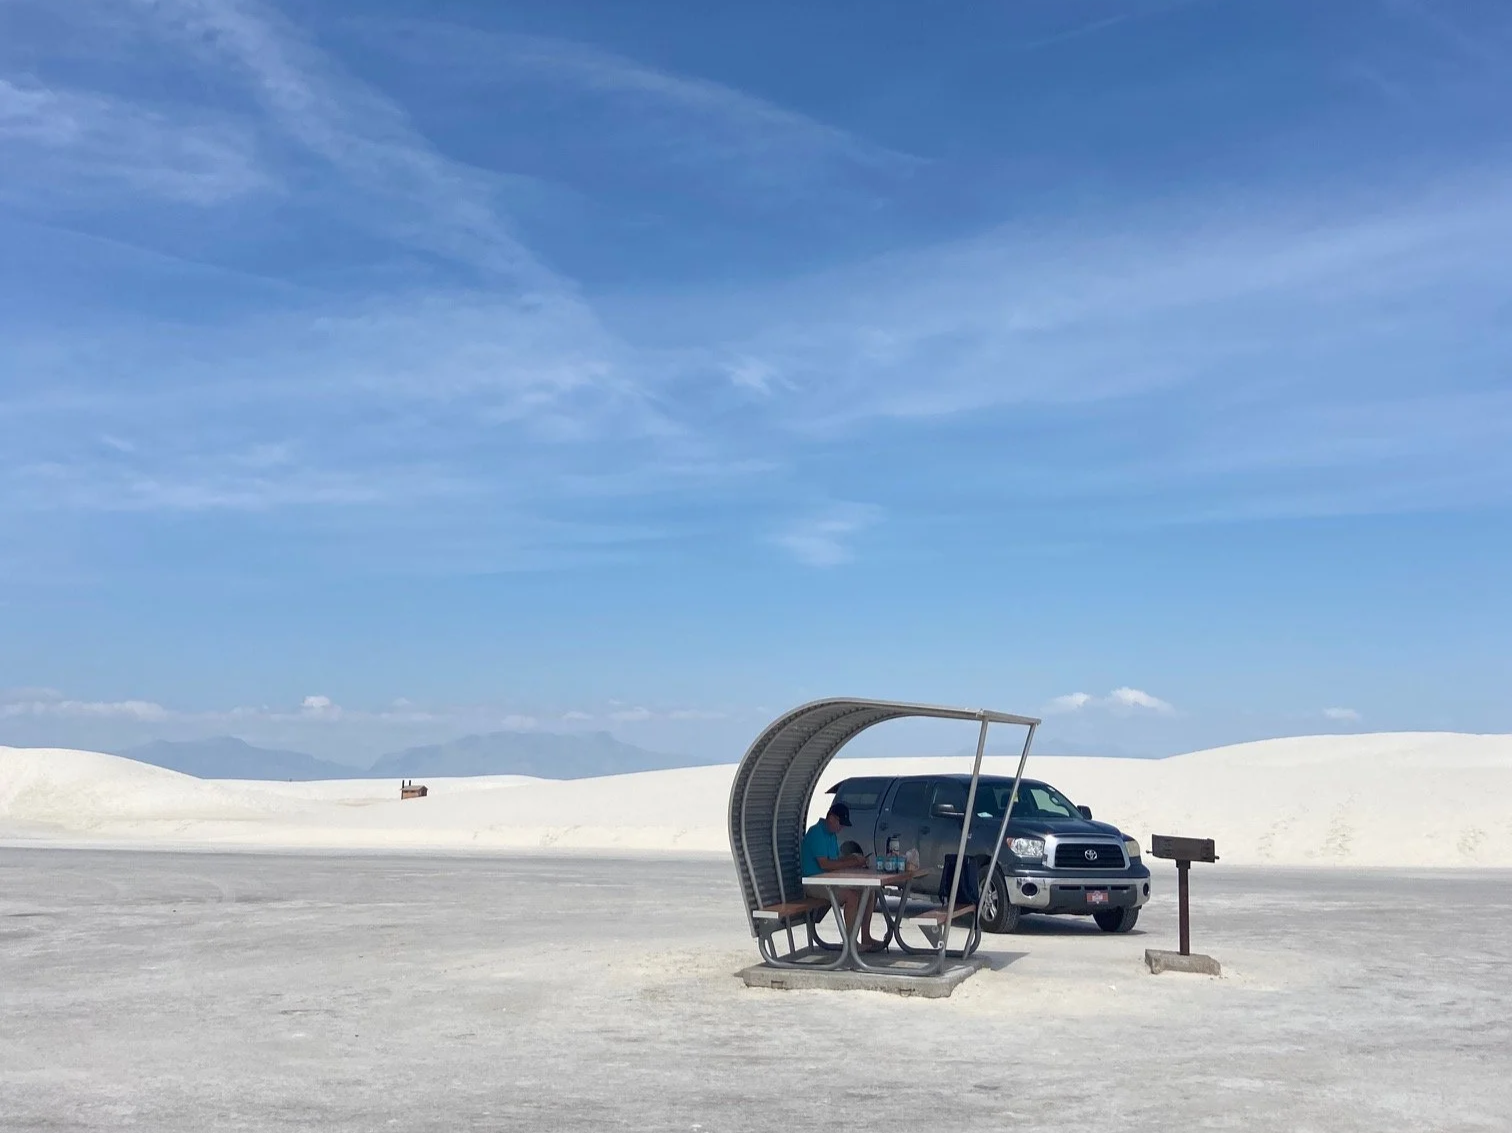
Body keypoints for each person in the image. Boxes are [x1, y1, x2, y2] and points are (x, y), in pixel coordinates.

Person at [801, 802, 883, 952]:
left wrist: (854, 860)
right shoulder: (816, 833)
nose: (842, 828)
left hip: (828, 881)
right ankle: (850, 942)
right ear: (831, 818)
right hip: (813, 882)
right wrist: (852, 861)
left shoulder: (831, 835)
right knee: (851, 896)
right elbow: (826, 865)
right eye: (841, 823)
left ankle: (865, 936)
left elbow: (837, 860)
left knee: (869, 891)